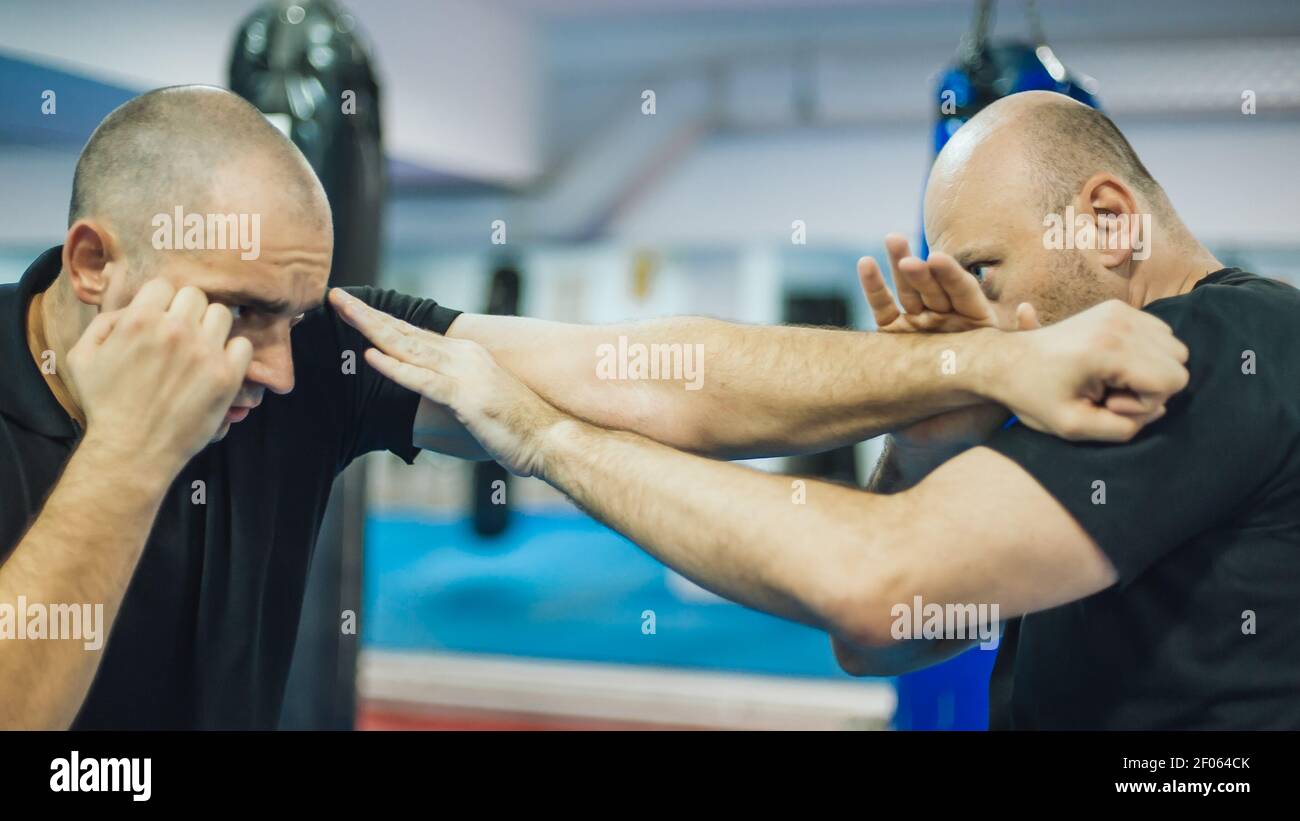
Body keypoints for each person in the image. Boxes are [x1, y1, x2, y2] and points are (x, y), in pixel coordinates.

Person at [0, 86, 1182, 730]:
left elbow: (660, 372)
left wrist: (968, 370)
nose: (281, 367)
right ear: (93, 262)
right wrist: (129, 452)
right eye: (238, 311)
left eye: (293, 315)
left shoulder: (311, 351)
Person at [346, 90, 1300, 730]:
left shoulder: (1209, 347)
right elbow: (887, 636)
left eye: (984, 270)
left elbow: (872, 584)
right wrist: (930, 445)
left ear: (1106, 217)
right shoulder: (1110, 390)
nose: (981, 313)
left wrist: (550, 437)